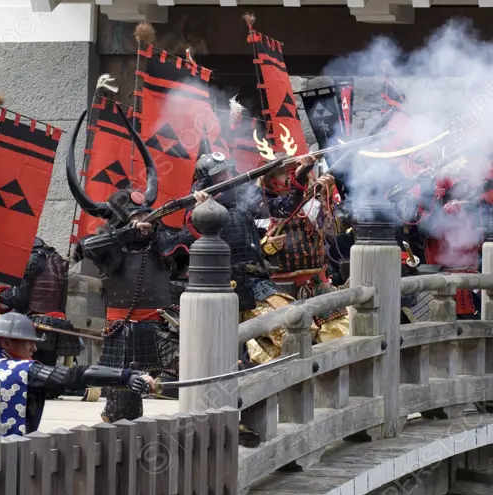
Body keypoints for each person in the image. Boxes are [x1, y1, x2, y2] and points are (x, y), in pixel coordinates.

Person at [66, 103, 193, 423]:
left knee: (167, 382)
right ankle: (117, 422)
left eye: (144, 214)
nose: (143, 221)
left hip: (161, 324)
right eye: (135, 216)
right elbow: (85, 247)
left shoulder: (160, 238)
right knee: (119, 385)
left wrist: (199, 203)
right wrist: (125, 234)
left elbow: (184, 246)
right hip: (121, 325)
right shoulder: (112, 245)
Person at [0, 313, 153, 442]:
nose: (33, 347)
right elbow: (72, 376)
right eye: (27, 341)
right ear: (6, 342)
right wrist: (126, 376)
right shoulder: (21, 370)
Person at [189, 151, 308, 365]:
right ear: (208, 181)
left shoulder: (242, 197)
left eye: (227, 172)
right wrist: (201, 210)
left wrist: (300, 176)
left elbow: (285, 207)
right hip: (223, 289)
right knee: (229, 353)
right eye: (219, 175)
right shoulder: (196, 209)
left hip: (256, 282)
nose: (227, 178)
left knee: (294, 324)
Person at [257, 152, 350, 344]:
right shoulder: (260, 207)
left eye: (292, 171)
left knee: (338, 336)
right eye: (284, 173)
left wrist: (325, 200)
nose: (290, 176)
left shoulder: (310, 203)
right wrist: (266, 245)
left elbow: (329, 231)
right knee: (285, 344)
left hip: (316, 283)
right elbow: (249, 249)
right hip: (278, 290)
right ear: (271, 179)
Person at [0, 237, 83, 367]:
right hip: (57, 325)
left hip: (34, 325)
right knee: (45, 371)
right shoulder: (57, 258)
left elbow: (18, 299)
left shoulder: (30, 259)